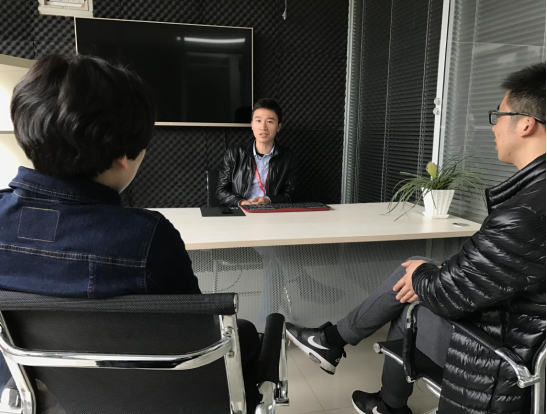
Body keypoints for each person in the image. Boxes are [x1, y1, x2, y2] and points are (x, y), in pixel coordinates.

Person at [0, 54, 261, 405]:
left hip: (35, 395)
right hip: (145, 399)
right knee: (245, 334)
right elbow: (199, 336)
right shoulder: (148, 239)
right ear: (124, 156)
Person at [287, 62, 546, 414]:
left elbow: (448, 295)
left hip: (503, 357)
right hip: (521, 330)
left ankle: (344, 356)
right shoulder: (532, 202)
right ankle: (347, 360)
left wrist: (422, 276)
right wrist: (428, 272)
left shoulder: (524, 215)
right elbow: (492, 275)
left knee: (410, 298)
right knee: (416, 273)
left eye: (498, 115)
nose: (494, 127)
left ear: (526, 123)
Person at [216, 98, 298, 206]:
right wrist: (241, 202)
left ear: (278, 127)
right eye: (258, 121)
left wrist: (269, 200)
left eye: (269, 121)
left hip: (272, 211)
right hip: (243, 210)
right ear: (252, 124)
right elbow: (221, 191)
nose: (263, 127)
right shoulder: (234, 154)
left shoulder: (288, 157)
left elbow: (291, 194)